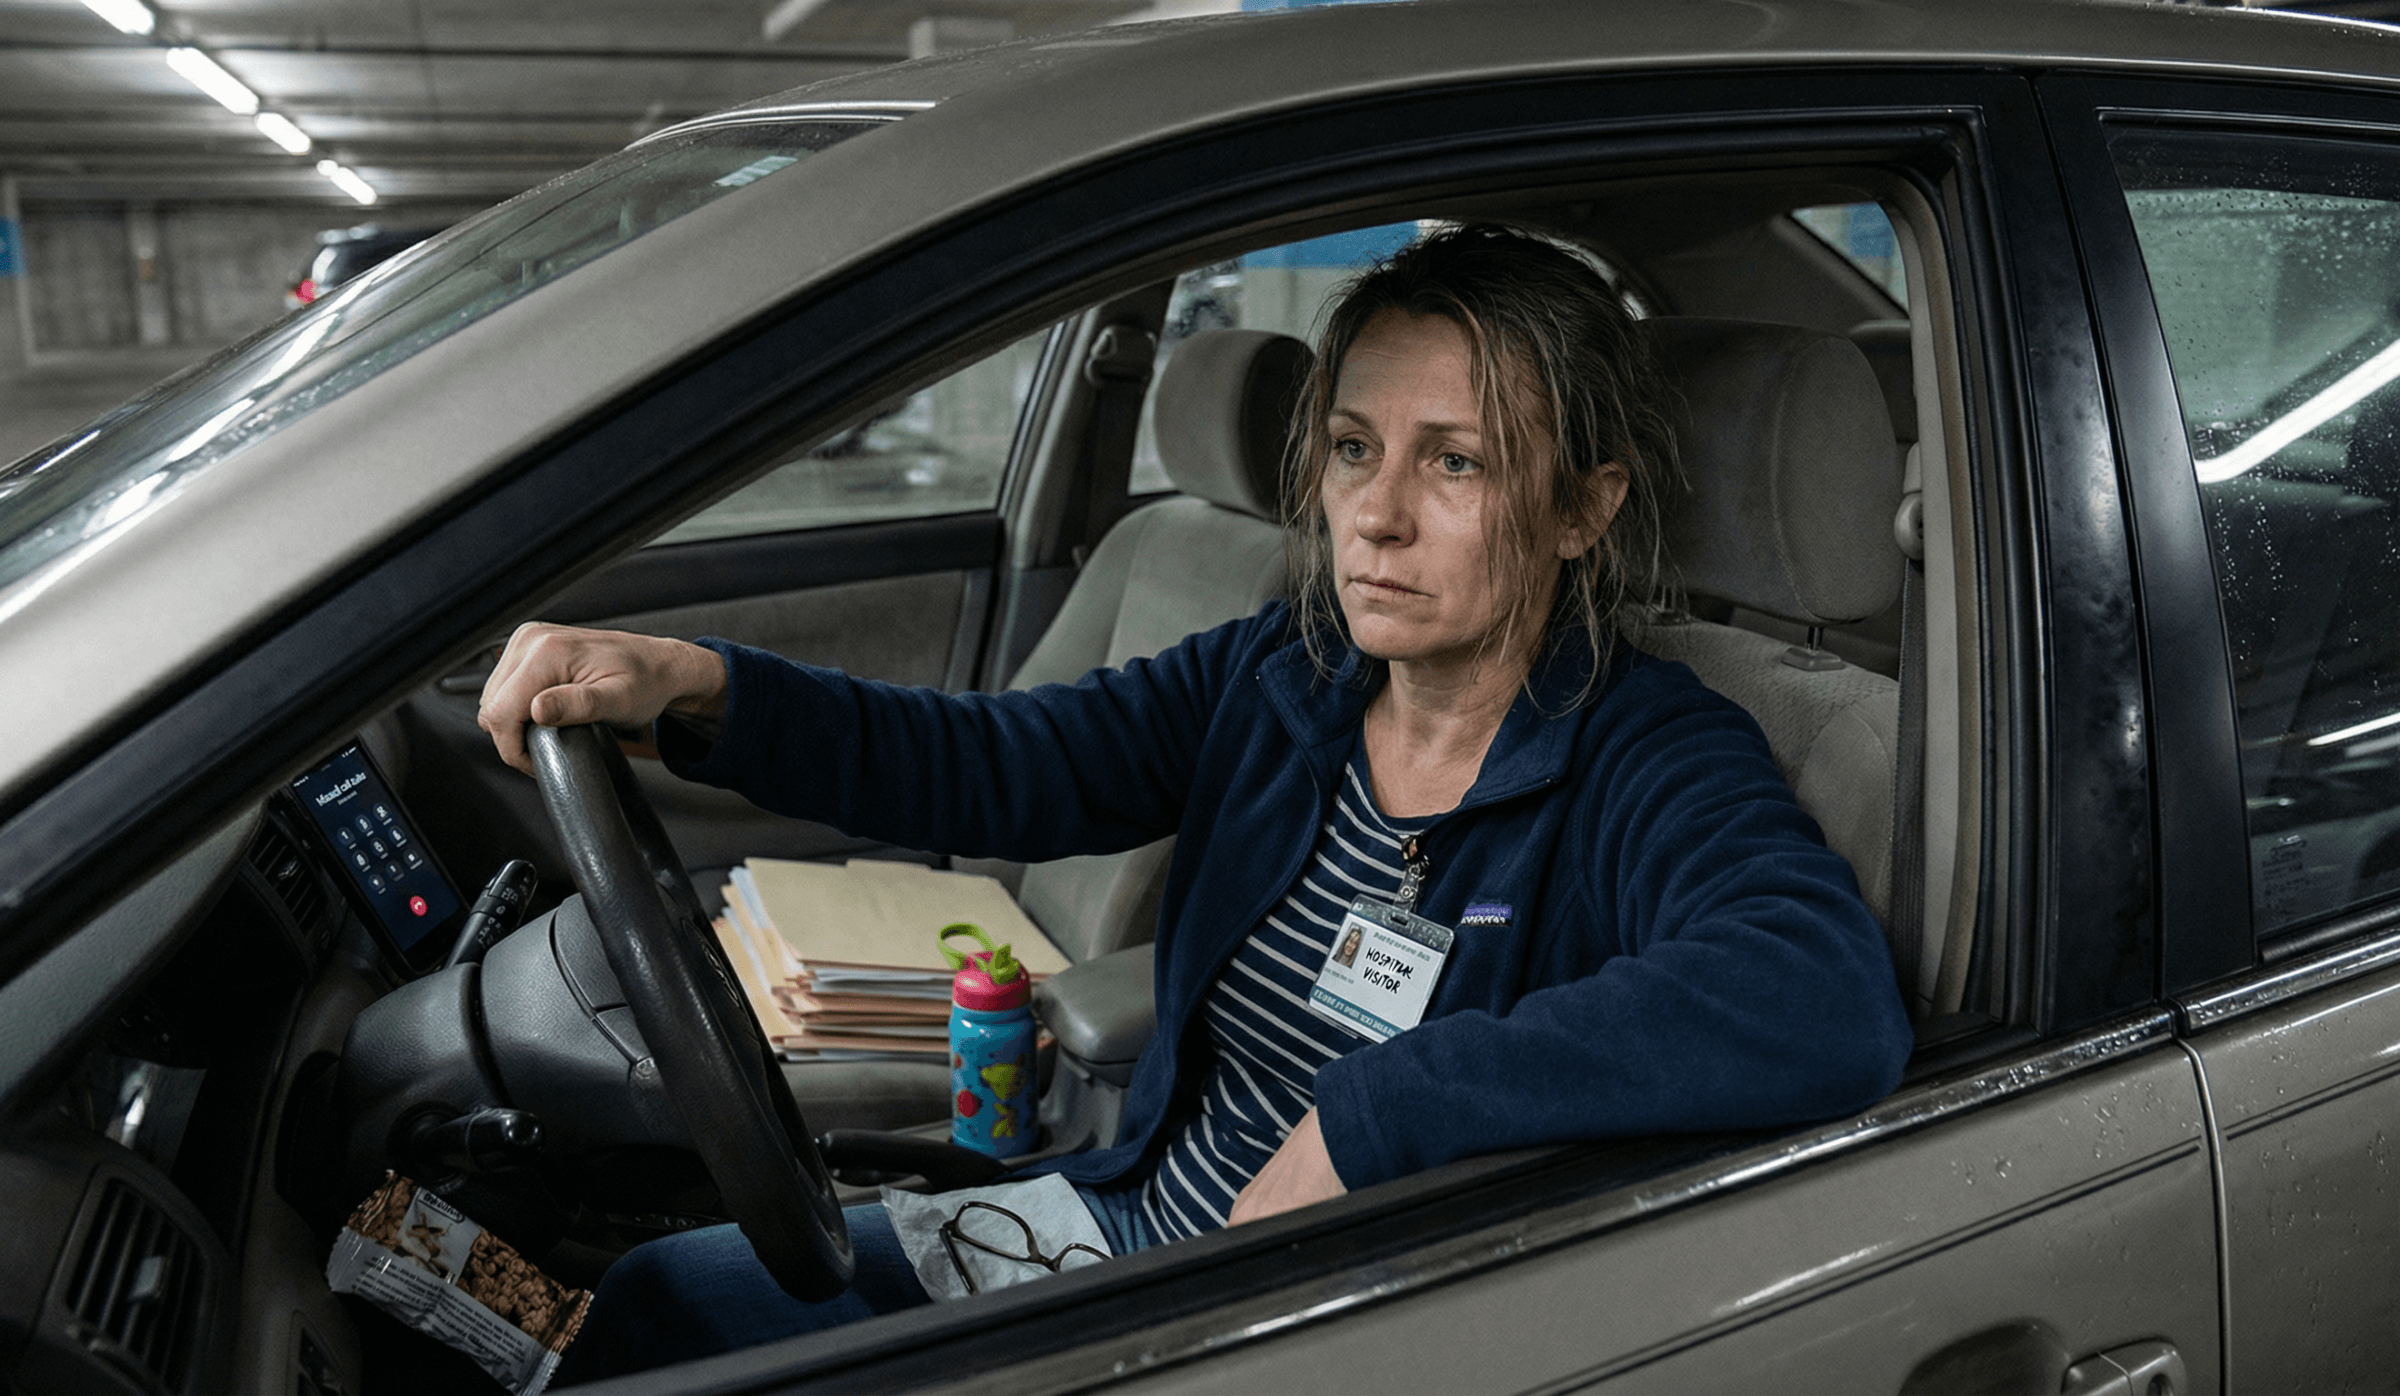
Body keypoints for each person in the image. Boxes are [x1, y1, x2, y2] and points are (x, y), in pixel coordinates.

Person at [477, 225, 1915, 1379]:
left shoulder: (1649, 750)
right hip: (1122, 1226)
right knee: (667, 1300)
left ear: (1582, 511)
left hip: (1301, 1329)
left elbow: (1814, 991)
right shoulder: (1281, 677)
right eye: (1355, 450)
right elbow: (999, 763)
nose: (1378, 512)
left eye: (1456, 461)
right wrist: (694, 685)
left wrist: (1380, 1112)